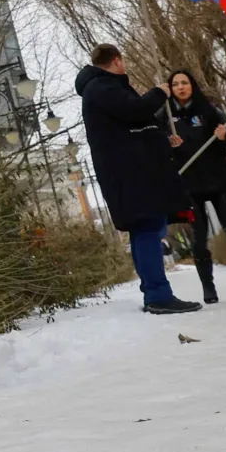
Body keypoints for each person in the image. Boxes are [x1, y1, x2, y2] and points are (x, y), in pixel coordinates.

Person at [75, 44, 198, 314]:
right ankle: (158, 295)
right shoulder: (102, 87)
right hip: (131, 176)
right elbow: (135, 111)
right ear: (117, 61)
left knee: (150, 228)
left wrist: (162, 139)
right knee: (147, 228)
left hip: (134, 174)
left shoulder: (103, 88)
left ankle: (156, 293)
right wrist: (159, 93)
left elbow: (131, 128)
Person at [163, 69, 226, 304]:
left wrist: (223, 138)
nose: (181, 87)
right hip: (190, 186)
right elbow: (160, 153)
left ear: (192, 85)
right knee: (199, 239)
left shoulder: (211, 111)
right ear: (170, 88)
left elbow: (223, 150)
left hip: (219, 180)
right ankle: (208, 287)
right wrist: (172, 148)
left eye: (185, 82)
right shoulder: (166, 116)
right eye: (176, 84)